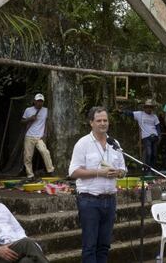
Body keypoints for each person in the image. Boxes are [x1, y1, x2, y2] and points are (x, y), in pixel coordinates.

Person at [69, 106, 127, 263]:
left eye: (105, 120)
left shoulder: (114, 143)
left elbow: (123, 169)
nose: (103, 123)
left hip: (110, 199)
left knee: (104, 245)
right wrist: (98, 172)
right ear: (91, 123)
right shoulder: (83, 143)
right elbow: (73, 172)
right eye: (99, 120)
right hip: (89, 201)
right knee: (90, 246)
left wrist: (118, 173)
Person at [119, 99, 161, 172]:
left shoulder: (154, 116)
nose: (149, 109)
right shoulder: (140, 114)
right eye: (147, 107)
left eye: (150, 107)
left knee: (154, 154)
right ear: (144, 107)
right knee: (149, 153)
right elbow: (130, 113)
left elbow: (158, 127)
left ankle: (153, 170)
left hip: (155, 136)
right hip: (146, 137)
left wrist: (159, 136)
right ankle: (147, 169)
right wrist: (121, 111)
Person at [21, 93, 54, 179]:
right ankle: (30, 175)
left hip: (39, 137)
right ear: (34, 101)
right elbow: (22, 121)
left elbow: (46, 123)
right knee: (28, 156)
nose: (40, 103)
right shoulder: (28, 110)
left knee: (45, 152)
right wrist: (30, 119)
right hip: (29, 136)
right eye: (38, 101)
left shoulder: (46, 110)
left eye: (41, 101)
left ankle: (50, 171)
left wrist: (45, 134)